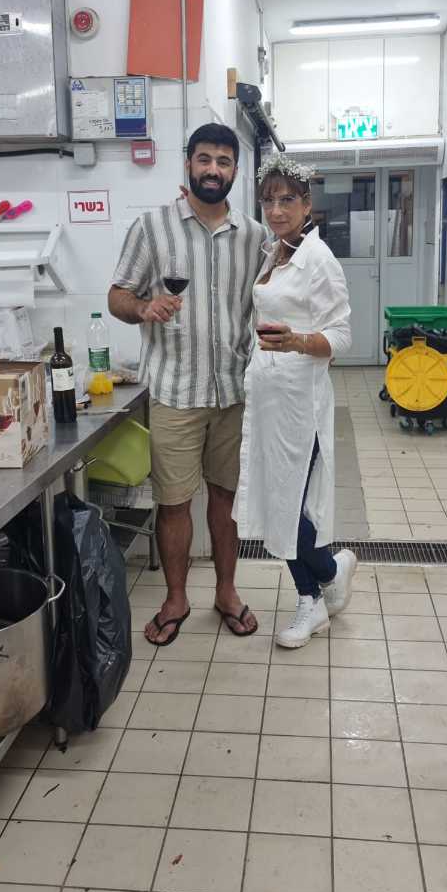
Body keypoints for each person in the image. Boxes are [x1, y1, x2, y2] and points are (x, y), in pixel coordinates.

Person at [109, 123, 266, 646]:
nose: (213, 169)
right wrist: (142, 308)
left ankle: (226, 592)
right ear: (188, 163)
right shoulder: (153, 228)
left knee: (226, 500)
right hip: (175, 392)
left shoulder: (254, 236)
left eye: (223, 161)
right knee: (174, 503)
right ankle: (176, 599)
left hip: (233, 393)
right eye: (204, 159)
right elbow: (117, 295)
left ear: (235, 171)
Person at [236, 154, 357, 648]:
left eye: (287, 199)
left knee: (287, 505)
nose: (276, 209)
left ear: (308, 205)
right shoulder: (275, 253)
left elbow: (342, 337)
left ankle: (324, 578)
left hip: (298, 402)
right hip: (267, 398)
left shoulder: (318, 259)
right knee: (274, 501)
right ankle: (316, 592)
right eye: (268, 200)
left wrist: (297, 341)